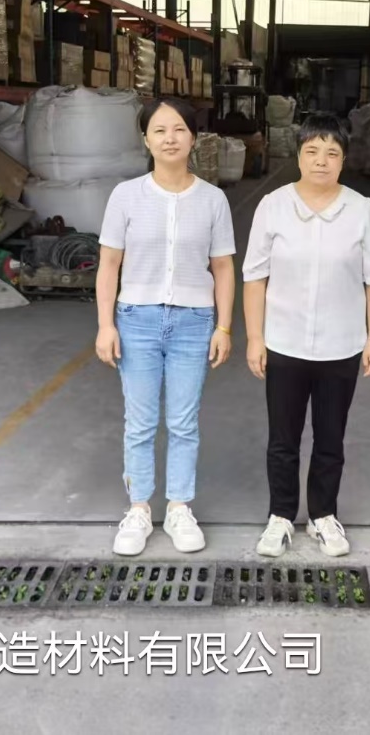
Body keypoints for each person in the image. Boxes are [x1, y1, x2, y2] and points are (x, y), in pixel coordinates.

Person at [242, 113, 370, 558]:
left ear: (344, 160)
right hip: (284, 342)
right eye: (312, 151)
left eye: (332, 153)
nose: (321, 161)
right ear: (299, 155)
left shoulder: (361, 210)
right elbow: (255, 277)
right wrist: (255, 337)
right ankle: (281, 516)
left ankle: (324, 515)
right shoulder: (273, 206)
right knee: (282, 439)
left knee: (330, 438)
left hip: (340, 345)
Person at [95, 98, 236, 556]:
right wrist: (105, 325)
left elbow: (223, 267)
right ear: (146, 139)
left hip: (194, 322)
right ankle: (138, 509)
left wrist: (224, 327)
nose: (170, 138)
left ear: (193, 138)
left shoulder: (213, 200)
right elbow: (109, 265)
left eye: (178, 129)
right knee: (139, 422)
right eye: (159, 130)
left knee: (183, 422)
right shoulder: (126, 196)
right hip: (136, 320)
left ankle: (178, 507)